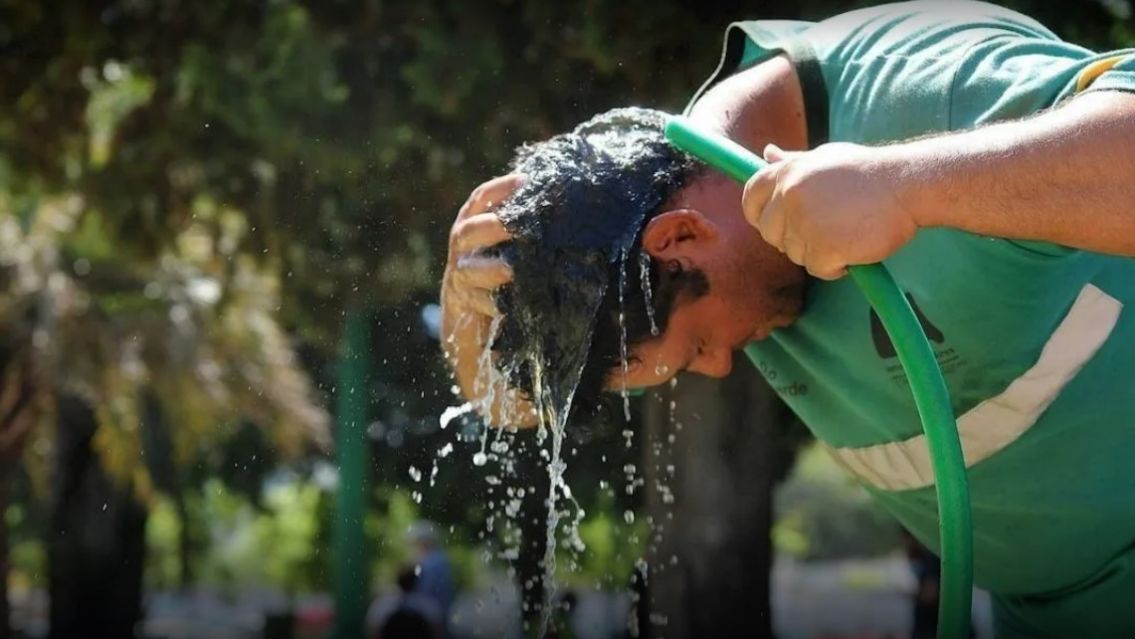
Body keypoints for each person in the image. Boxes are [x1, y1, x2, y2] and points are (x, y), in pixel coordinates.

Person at [440, 2, 1135, 637]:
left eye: (699, 346)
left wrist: (909, 186)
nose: (718, 367)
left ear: (680, 241)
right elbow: (510, 408)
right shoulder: (662, 256)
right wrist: (466, 304)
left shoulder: (917, 83)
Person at [406, 520, 455, 637]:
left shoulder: (432, 562)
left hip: (432, 615)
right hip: (437, 613)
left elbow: (424, 591)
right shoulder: (439, 559)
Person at [366, 565, 443, 639]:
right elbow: (437, 633)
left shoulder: (382, 605)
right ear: (416, 582)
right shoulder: (428, 606)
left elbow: (373, 631)